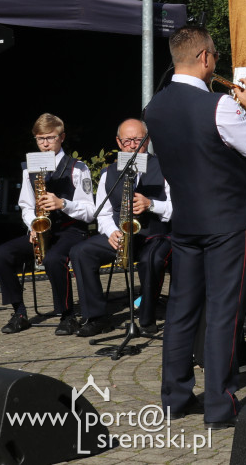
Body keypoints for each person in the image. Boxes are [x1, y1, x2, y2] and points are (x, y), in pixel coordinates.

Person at [143, 26, 246, 429]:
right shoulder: (220, 106)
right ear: (203, 58)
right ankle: (220, 405)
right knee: (222, 311)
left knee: (181, 309)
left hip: (185, 220)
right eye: (214, 54)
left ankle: (174, 397)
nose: (216, 61)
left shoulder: (154, 108)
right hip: (226, 221)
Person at [70, 119, 173, 337]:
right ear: (118, 142)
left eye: (138, 140)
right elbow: (104, 213)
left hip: (156, 234)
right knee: (81, 252)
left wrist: (151, 204)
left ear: (148, 140)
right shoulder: (109, 172)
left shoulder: (165, 167)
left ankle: (146, 319)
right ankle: (96, 317)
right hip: (123, 234)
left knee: (151, 260)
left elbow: (178, 208)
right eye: (127, 141)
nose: (133, 146)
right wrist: (111, 233)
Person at [0, 113, 96, 335]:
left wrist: (63, 204)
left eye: (50, 138)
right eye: (40, 139)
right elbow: (26, 205)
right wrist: (33, 224)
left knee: (54, 258)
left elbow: (90, 212)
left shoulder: (78, 168)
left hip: (71, 230)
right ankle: (19, 312)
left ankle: (68, 315)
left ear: (62, 138)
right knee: (1, 254)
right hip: (42, 230)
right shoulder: (28, 169)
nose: (45, 144)